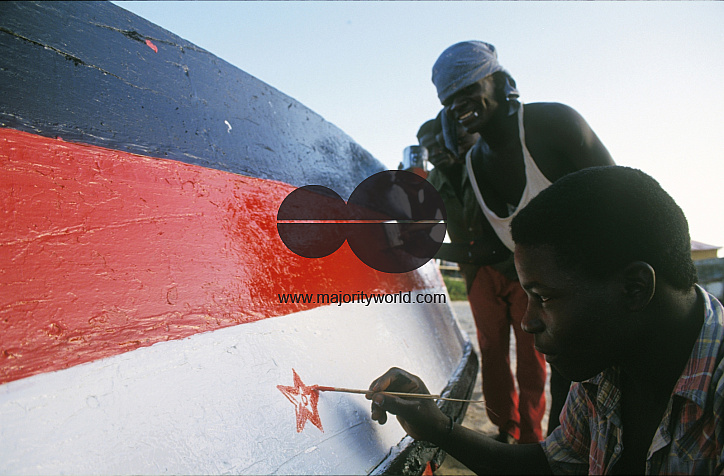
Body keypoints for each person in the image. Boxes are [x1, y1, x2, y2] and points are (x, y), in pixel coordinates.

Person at [367, 166, 724, 474]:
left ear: (634, 289)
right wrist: (437, 428)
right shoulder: (605, 364)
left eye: (544, 298)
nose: (527, 322)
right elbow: (554, 466)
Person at [430, 40, 616, 442]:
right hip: (559, 316)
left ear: (498, 81)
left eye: (467, 89)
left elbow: (626, 199)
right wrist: (422, 249)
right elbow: (499, 250)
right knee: (569, 428)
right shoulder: (476, 167)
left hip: (608, 302)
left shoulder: (554, 126)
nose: (458, 104)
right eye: (449, 99)